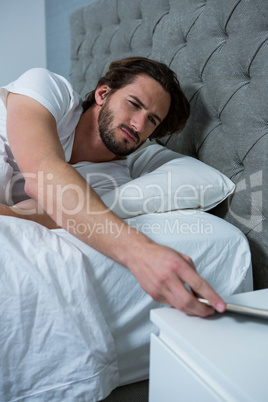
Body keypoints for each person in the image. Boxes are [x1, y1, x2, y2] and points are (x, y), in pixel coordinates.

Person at [0, 56, 226, 316]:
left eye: (152, 120)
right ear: (103, 93)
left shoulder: (115, 182)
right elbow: (43, 173)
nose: (139, 125)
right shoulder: (49, 89)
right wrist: (141, 253)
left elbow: (33, 214)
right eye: (134, 104)